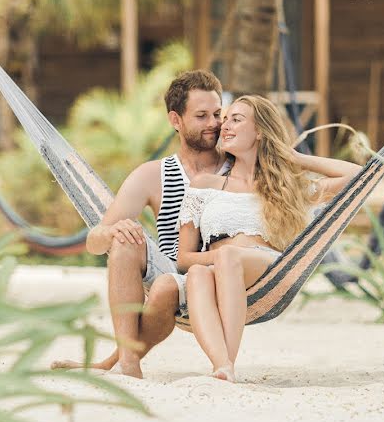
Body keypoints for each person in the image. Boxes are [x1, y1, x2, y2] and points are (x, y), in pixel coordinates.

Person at [167, 95, 362, 382]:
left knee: (227, 256)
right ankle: (222, 366)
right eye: (226, 119)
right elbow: (183, 259)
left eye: (237, 119)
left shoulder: (289, 188)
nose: (225, 125)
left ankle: (227, 363)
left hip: (267, 268)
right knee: (196, 273)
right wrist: (222, 257)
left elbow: (358, 176)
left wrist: (294, 157)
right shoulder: (203, 186)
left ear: (260, 131)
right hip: (219, 267)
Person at [51, 70, 231, 378]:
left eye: (217, 114)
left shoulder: (237, 167)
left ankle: (115, 361)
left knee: (163, 289)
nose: (213, 123)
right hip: (172, 270)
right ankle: (129, 364)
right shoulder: (153, 175)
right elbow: (95, 242)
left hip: (221, 272)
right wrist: (113, 231)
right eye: (201, 116)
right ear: (176, 120)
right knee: (125, 241)